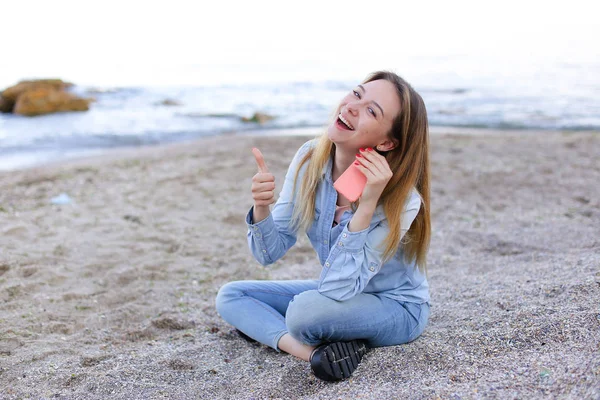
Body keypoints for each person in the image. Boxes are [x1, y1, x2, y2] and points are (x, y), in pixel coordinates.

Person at [216, 71, 431, 382]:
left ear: (387, 141)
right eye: (357, 94)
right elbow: (268, 254)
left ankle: (319, 335)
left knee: (304, 314)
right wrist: (262, 207)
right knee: (231, 295)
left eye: (372, 111)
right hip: (334, 296)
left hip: (394, 306)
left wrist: (367, 205)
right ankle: (315, 355)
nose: (352, 106)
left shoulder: (403, 199)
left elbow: (338, 287)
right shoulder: (309, 158)